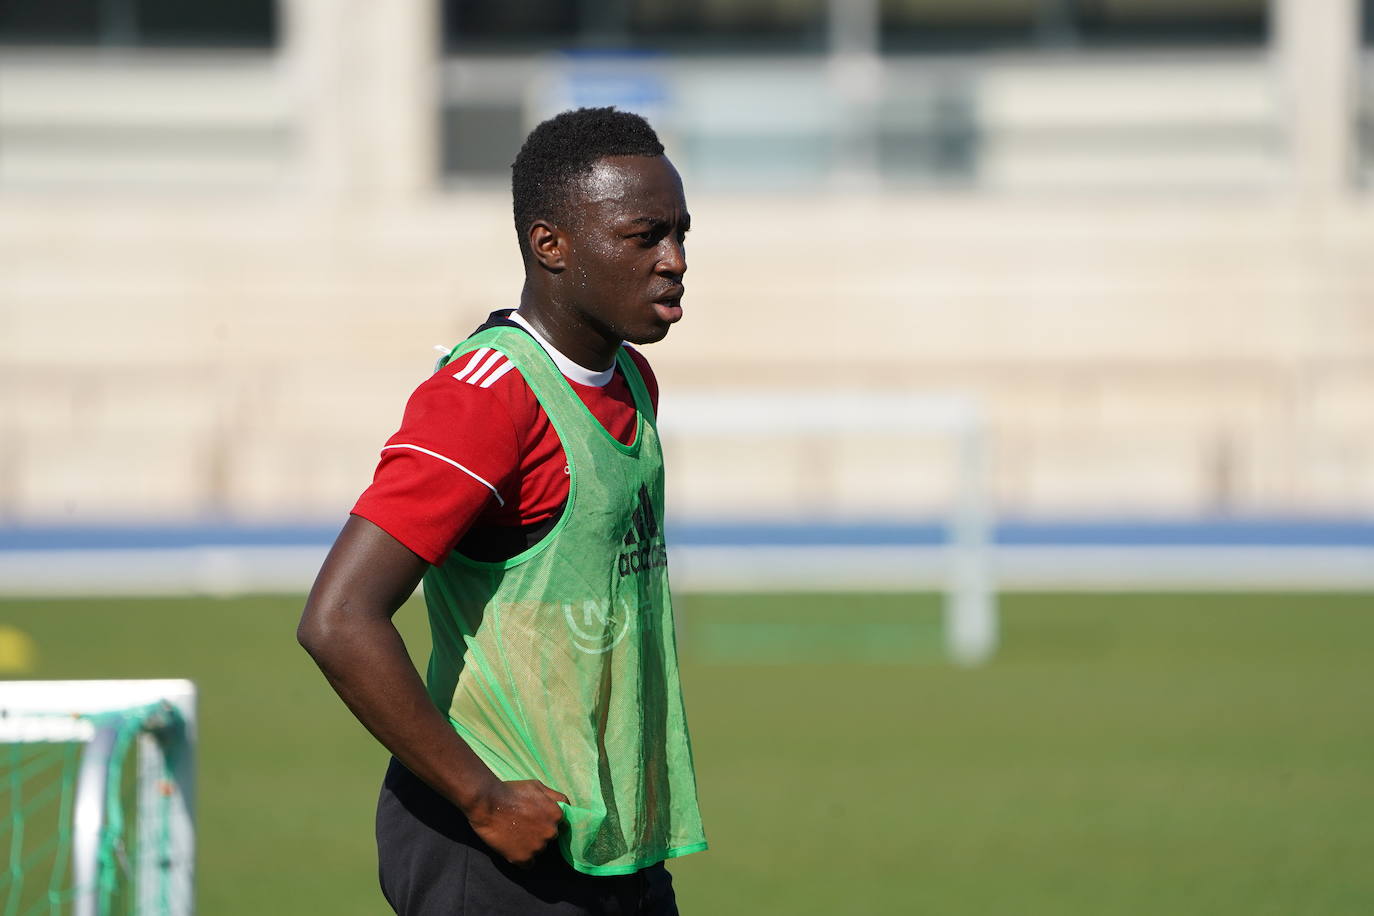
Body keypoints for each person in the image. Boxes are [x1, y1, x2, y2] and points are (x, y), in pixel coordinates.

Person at [297, 107, 706, 915]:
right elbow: (339, 617)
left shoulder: (631, 380)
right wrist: (482, 797)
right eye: (644, 236)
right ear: (550, 245)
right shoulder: (487, 398)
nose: (676, 262)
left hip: (612, 836)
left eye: (683, 233)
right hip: (497, 845)